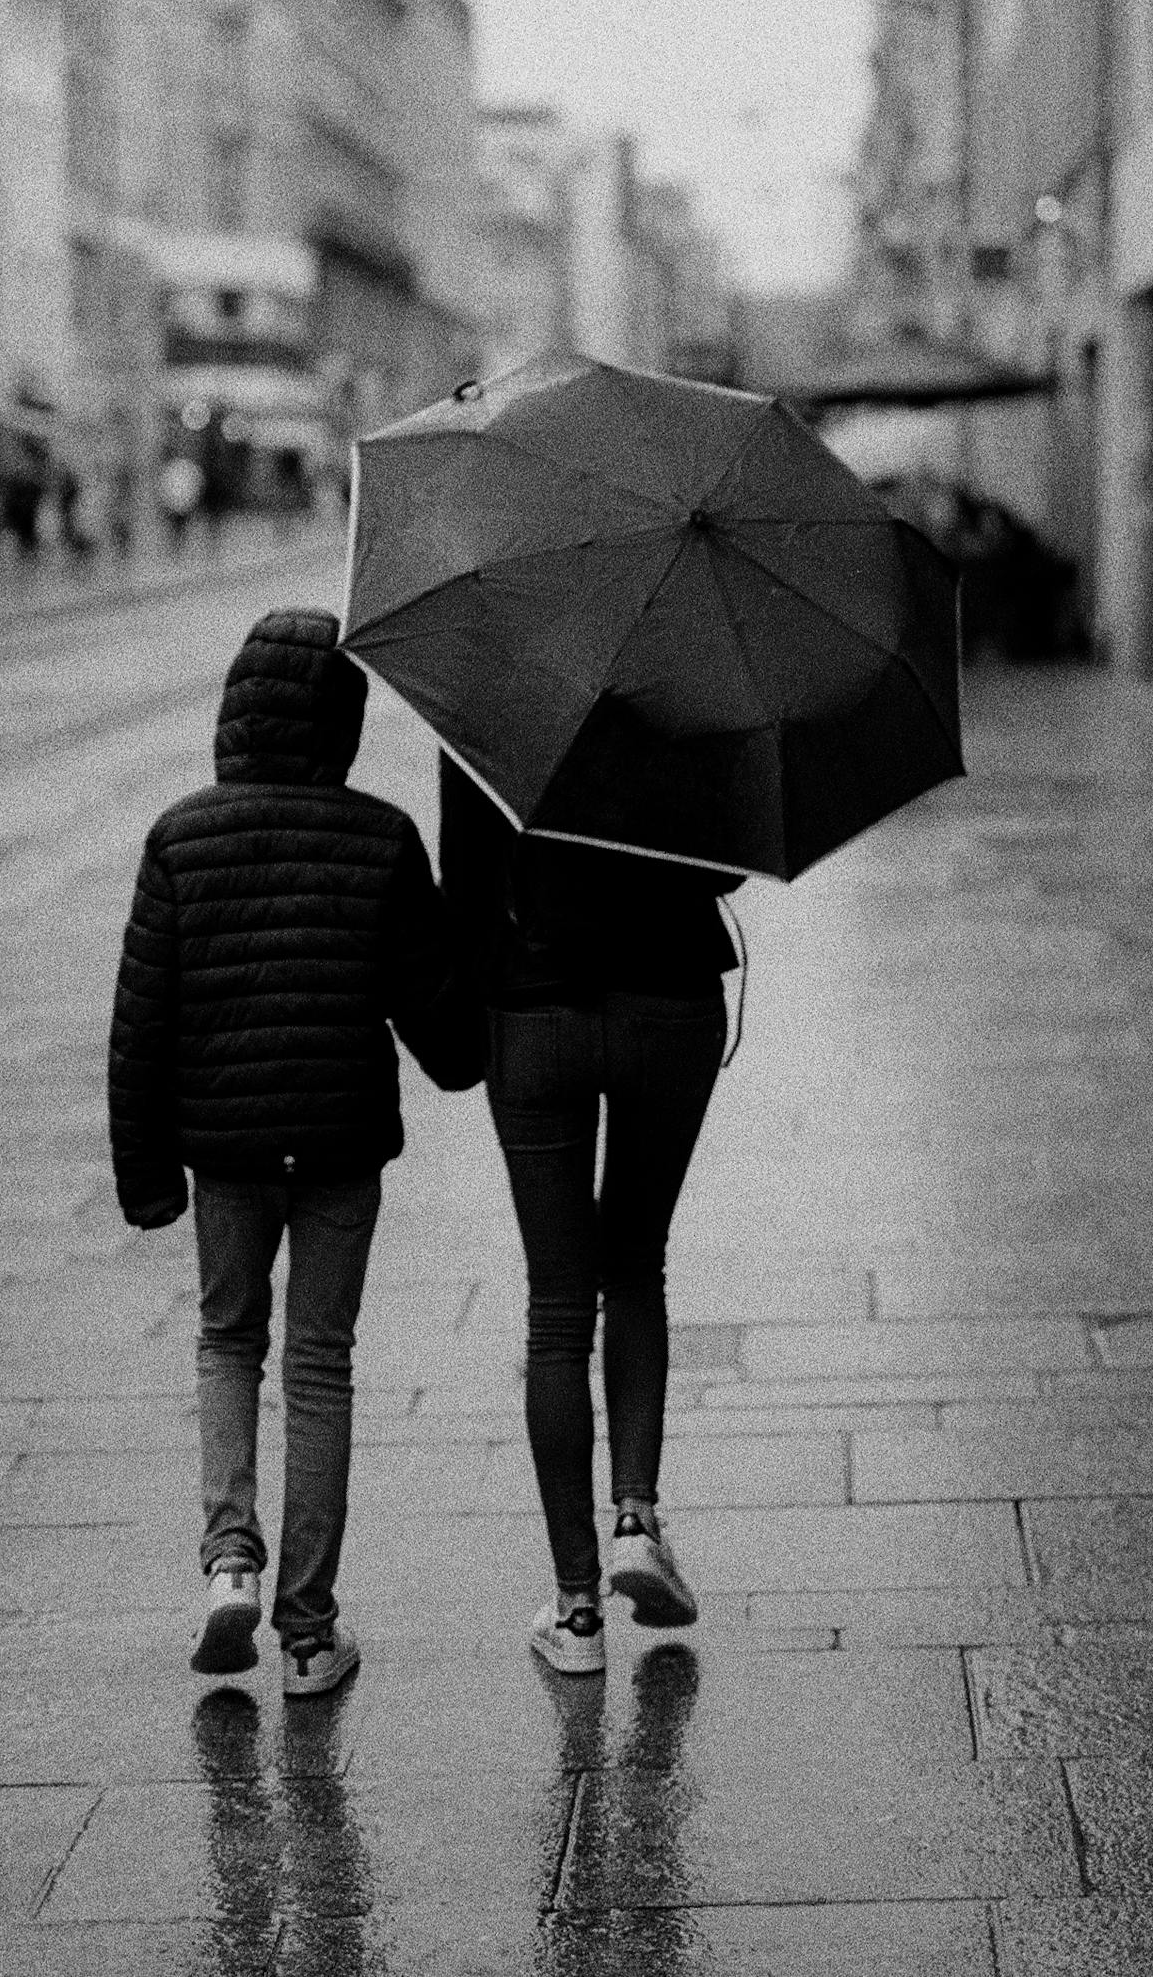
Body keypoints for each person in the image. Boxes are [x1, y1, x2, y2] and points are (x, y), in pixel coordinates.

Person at [108, 609, 484, 1699]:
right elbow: (452, 1047)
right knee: (320, 1364)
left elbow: (141, 1022)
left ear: (235, 710)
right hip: (337, 1144)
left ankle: (229, 1561)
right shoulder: (382, 836)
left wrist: (145, 1176)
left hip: (223, 1147)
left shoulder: (180, 836)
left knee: (230, 1340)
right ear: (347, 721)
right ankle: (310, 1633)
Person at [439, 754, 740, 1676]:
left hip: (536, 1005)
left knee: (558, 1308)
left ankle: (576, 1611)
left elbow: (467, 878)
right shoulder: (691, 676)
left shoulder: (484, 687)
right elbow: (729, 863)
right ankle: (636, 1517)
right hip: (671, 996)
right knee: (635, 1260)